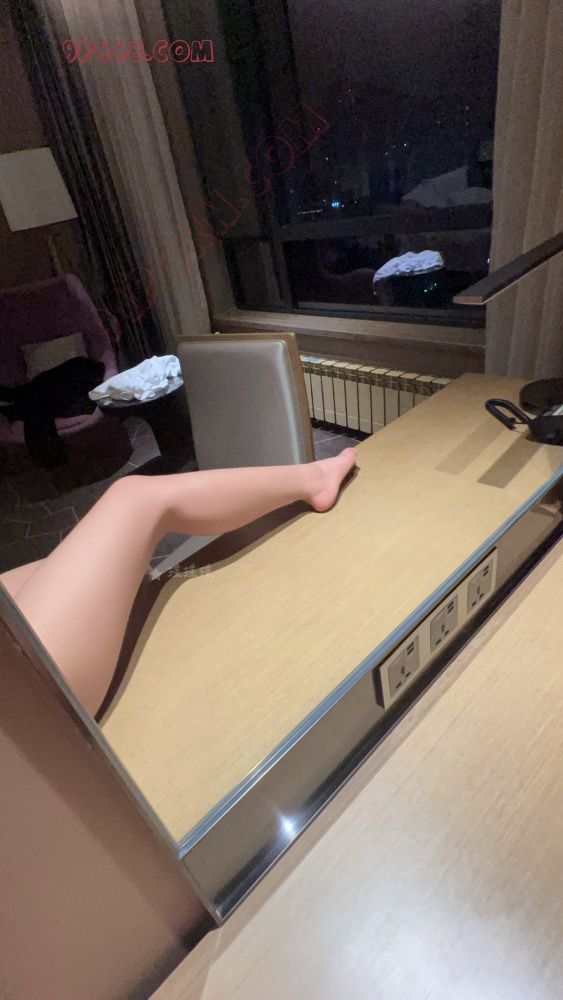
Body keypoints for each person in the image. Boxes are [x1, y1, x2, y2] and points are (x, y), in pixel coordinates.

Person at [1, 449, 357, 716]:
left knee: (60, 567)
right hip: (25, 699)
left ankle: (313, 477)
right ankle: (315, 479)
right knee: (134, 498)